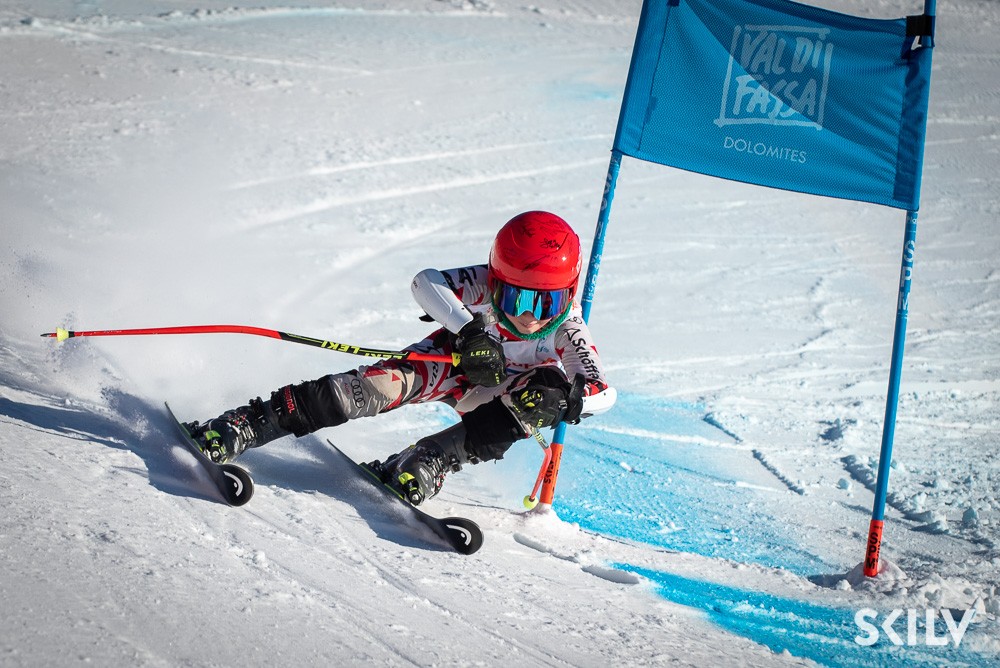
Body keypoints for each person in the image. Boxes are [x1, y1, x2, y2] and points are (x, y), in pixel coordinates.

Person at [186, 211, 617, 505]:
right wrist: (469, 331)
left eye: (546, 303)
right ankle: (254, 420)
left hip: (499, 396)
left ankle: (432, 458)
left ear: (568, 295)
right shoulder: (483, 283)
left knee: (547, 392)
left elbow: (603, 391)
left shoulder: (568, 328)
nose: (529, 316)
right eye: (517, 298)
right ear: (497, 280)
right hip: (452, 365)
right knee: (375, 387)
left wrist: (571, 402)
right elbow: (425, 282)